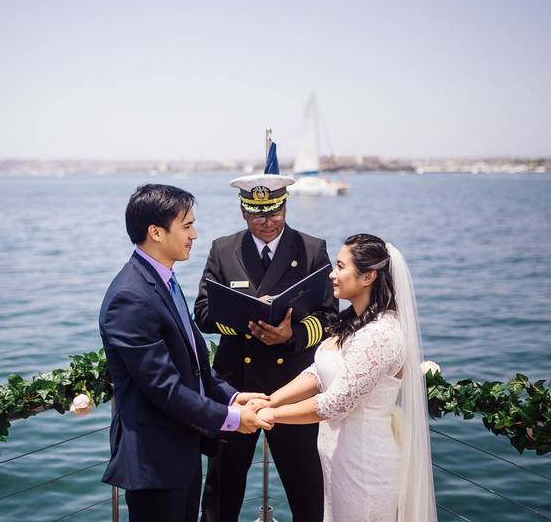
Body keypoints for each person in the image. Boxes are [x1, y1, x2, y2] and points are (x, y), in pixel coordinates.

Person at [99, 184, 272, 522]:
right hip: (154, 461)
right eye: (187, 226)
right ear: (156, 232)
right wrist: (233, 420)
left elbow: (195, 365)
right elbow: (164, 387)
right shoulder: (130, 297)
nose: (195, 234)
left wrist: (233, 396)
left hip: (182, 451)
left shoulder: (164, 280)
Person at [253, 233, 437, 522]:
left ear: (368, 277)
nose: (332, 274)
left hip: (365, 466)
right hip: (337, 460)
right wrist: (269, 398)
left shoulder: (379, 335)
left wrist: (268, 414)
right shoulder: (353, 322)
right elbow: (318, 371)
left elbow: (335, 404)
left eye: (340, 267)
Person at [194, 174, 338, 522]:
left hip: (293, 387)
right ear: (244, 213)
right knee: (221, 489)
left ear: (285, 206)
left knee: (306, 487)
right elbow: (202, 313)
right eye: (257, 214)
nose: (267, 222)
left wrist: (290, 336)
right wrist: (251, 322)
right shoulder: (223, 249)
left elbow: (331, 317)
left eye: (274, 212)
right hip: (236, 387)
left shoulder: (312, 248)